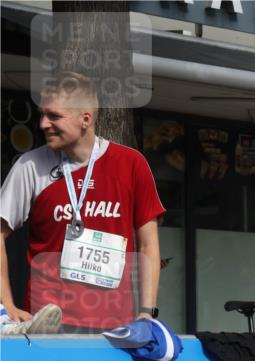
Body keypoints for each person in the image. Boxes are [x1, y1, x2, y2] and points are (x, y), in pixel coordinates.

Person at [1, 72, 164, 332]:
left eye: (54, 116)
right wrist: (6, 304)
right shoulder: (30, 165)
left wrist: (146, 312)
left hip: (116, 324)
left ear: (85, 119)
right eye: (42, 114)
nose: (43, 124)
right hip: (46, 323)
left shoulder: (132, 164)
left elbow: (148, 245)